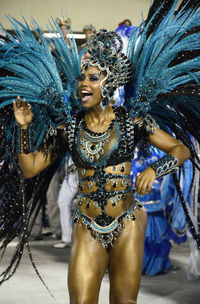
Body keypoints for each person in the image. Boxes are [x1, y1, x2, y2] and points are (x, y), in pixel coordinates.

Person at [1, 1, 200, 303]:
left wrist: (153, 170)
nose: (83, 83)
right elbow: (30, 167)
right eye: (81, 77)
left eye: (93, 78)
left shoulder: (131, 121)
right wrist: (24, 129)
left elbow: (180, 149)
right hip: (86, 224)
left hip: (128, 222)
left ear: (110, 83)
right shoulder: (68, 129)